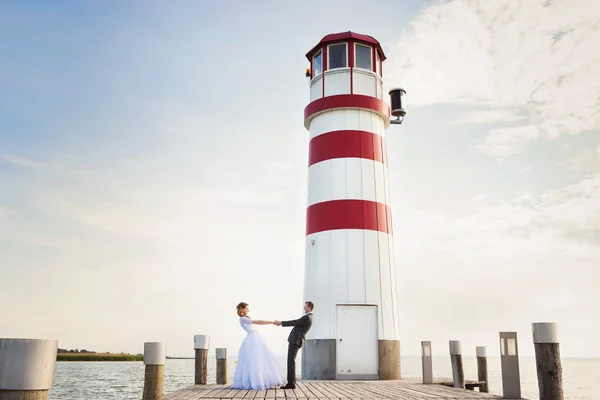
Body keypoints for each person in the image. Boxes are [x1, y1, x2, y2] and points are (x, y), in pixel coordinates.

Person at [232, 302, 286, 390]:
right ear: (242, 309)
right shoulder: (242, 319)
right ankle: (257, 381)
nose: (248, 310)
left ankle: (263, 380)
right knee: (255, 360)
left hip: (254, 337)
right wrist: (272, 322)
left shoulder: (246, 318)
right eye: (246, 308)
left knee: (262, 358)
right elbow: (259, 322)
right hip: (252, 339)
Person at [274, 301, 314, 389]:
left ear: (310, 308)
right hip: (296, 340)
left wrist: (281, 323)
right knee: (291, 361)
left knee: (290, 361)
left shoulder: (307, 317)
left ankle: (291, 383)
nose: (304, 308)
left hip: (295, 340)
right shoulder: (308, 317)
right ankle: (292, 382)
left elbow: (294, 322)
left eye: (305, 306)